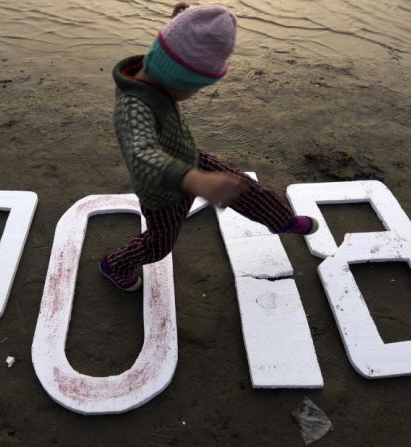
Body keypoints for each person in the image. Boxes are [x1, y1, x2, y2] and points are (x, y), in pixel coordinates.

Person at [100, 2, 318, 292]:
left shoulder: (154, 67)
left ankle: (282, 221)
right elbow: (141, 156)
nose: (193, 94)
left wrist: (179, 22)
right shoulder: (133, 108)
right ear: (177, 80)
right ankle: (115, 264)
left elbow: (169, 49)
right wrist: (195, 180)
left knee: (241, 186)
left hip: (188, 160)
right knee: (158, 245)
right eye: (195, 88)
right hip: (162, 191)